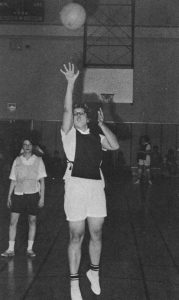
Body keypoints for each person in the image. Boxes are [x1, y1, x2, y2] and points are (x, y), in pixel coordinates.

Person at [60, 62, 119, 300]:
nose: (76, 116)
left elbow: (114, 145)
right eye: (75, 114)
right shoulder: (68, 134)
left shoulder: (96, 136)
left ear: (88, 117)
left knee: (96, 232)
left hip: (96, 187)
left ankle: (93, 273)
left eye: (80, 114)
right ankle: (74, 283)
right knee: (76, 235)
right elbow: (65, 112)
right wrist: (71, 83)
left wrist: (103, 124)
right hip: (75, 185)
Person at [1, 137, 47, 258]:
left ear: (33, 146)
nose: (27, 146)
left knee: (32, 221)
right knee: (12, 222)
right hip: (18, 195)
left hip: (33, 195)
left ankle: (30, 249)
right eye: (25, 144)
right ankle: (10, 249)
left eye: (29, 144)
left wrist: (42, 197)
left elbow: (42, 181)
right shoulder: (17, 160)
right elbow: (13, 180)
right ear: (22, 146)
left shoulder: (38, 160)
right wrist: (9, 196)